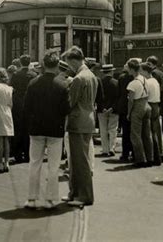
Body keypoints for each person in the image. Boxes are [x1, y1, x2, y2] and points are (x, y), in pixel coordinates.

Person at [23, 51, 70, 210]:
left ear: (43, 65)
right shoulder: (62, 85)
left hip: (36, 129)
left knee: (34, 164)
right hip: (55, 130)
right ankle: (51, 199)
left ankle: (32, 199)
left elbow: (27, 108)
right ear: (57, 66)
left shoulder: (33, 83)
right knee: (53, 165)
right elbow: (66, 110)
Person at [63, 46, 97, 207]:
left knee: (79, 161)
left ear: (74, 61)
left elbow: (71, 102)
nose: (69, 67)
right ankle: (75, 193)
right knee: (78, 160)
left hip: (78, 121)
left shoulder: (78, 78)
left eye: (69, 63)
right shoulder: (91, 75)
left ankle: (84, 195)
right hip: (88, 119)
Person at [126, 58, 153, 168]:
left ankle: (140, 159)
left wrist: (128, 113)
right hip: (147, 105)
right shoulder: (145, 79)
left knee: (135, 135)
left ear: (132, 69)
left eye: (128, 68)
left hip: (138, 107)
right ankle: (150, 157)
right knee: (147, 134)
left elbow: (131, 101)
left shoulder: (133, 83)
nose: (128, 70)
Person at [10, 54, 37, 163]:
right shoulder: (34, 75)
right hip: (30, 103)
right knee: (28, 129)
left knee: (18, 129)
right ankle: (28, 153)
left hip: (18, 103)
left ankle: (17, 154)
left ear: (20, 63)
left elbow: (12, 86)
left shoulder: (16, 74)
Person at [140, 62, 162, 166]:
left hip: (150, 105)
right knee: (154, 132)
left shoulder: (147, 82)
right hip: (156, 105)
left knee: (148, 133)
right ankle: (157, 157)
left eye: (141, 70)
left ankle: (151, 157)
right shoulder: (155, 81)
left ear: (145, 71)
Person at [97, 64, 119, 157]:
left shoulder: (99, 82)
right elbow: (118, 97)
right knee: (113, 129)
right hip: (113, 110)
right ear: (111, 71)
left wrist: (103, 107)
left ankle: (105, 149)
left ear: (103, 72)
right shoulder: (116, 83)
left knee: (103, 130)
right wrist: (112, 107)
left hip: (102, 109)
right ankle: (112, 148)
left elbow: (98, 97)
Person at [117, 64, 134, 162]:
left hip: (123, 107)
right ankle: (133, 152)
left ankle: (125, 153)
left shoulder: (121, 78)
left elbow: (119, 92)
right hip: (132, 106)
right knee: (133, 131)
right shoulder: (134, 78)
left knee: (125, 132)